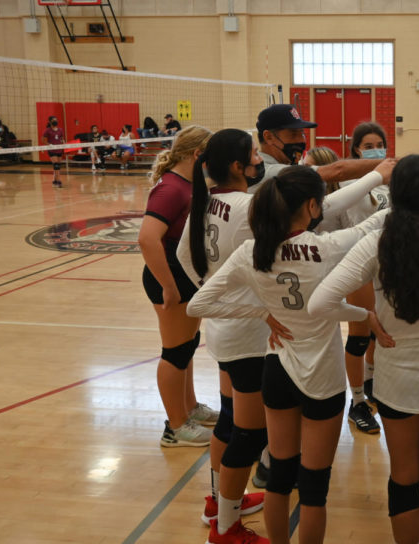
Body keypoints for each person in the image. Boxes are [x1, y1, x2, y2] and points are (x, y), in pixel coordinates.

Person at [187, 162, 394, 544]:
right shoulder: (326, 247)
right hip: (324, 379)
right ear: (314, 208)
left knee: (279, 478)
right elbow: (371, 227)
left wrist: (261, 310)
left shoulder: (252, 251)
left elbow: (196, 306)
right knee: (314, 489)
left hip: (278, 370)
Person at [308, 144, 419, 544]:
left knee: (404, 482)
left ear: (394, 197)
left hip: (397, 386)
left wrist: (364, 317)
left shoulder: (379, 243)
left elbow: (320, 303)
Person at [176, 129, 268, 543]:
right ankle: (227, 528)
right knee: (249, 435)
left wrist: (210, 287)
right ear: (237, 166)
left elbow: (183, 257)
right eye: (253, 154)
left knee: (230, 421)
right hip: (248, 334)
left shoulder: (203, 202)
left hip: (222, 330)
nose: (259, 158)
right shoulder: (249, 206)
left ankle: (219, 502)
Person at [137, 125, 218, 448]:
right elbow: (146, 238)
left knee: (187, 345)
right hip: (169, 279)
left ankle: (190, 408)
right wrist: (168, 287)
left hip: (185, 277)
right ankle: (175, 427)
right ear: (198, 155)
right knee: (174, 352)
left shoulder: (187, 183)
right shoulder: (171, 188)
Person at [340, 121, 392, 435]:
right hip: (358, 263)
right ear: (357, 149)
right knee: (360, 333)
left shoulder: (390, 183)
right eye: (368, 144)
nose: (374, 149)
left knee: (378, 330)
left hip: (387, 265)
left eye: (379, 143)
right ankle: (356, 402)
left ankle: (371, 383)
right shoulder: (351, 184)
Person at [253, 104, 382, 192]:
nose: (301, 140)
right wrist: (390, 164)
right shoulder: (265, 172)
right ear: (269, 137)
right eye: (293, 134)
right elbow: (337, 171)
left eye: (302, 133)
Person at [42, 115, 65, 187]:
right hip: (52, 150)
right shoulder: (47, 130)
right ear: (50, 121)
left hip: (59, 150)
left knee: (58, 166)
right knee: (56, 165)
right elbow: (43, 140)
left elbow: (62, 138)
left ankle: (55, 180)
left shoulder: (60, 130)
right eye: (54, 120)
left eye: (56, 119)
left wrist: (63, 143)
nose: (55, 121)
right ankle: (58, 181)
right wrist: (49, 144)